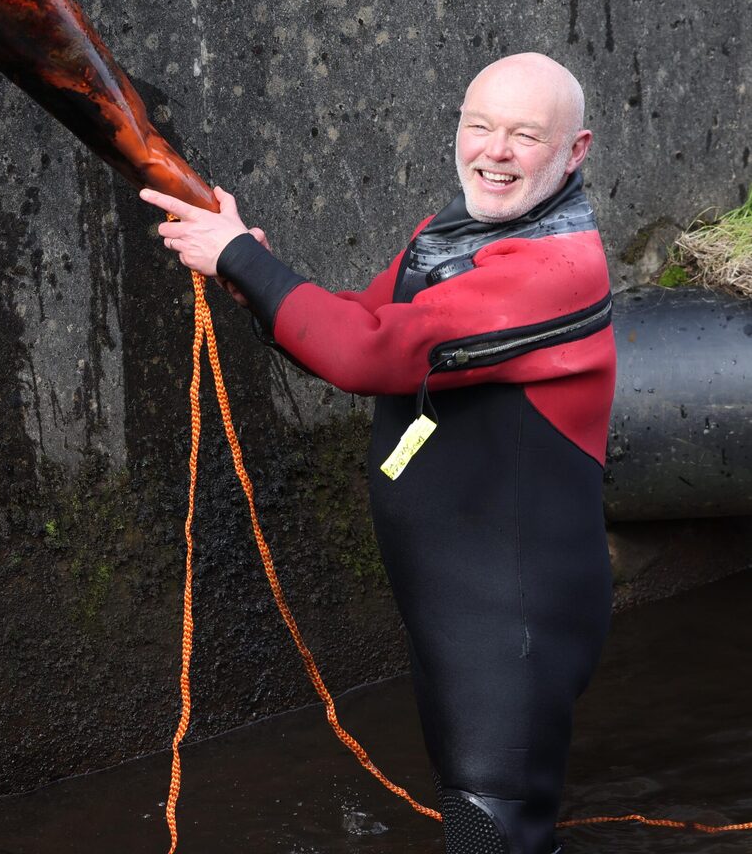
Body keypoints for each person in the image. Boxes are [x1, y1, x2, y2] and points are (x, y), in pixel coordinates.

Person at [141, 52, 616, 854]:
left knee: (490, 827)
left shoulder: (554, 268)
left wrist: (243, 259)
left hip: (515, 614)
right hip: (453, 602)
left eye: (526, 135)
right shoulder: (451, 234)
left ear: (574, 151)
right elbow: (353, 320)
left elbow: (367, 356)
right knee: (476, 808)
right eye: (480, 127)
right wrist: (249, 272)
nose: (494, 152)